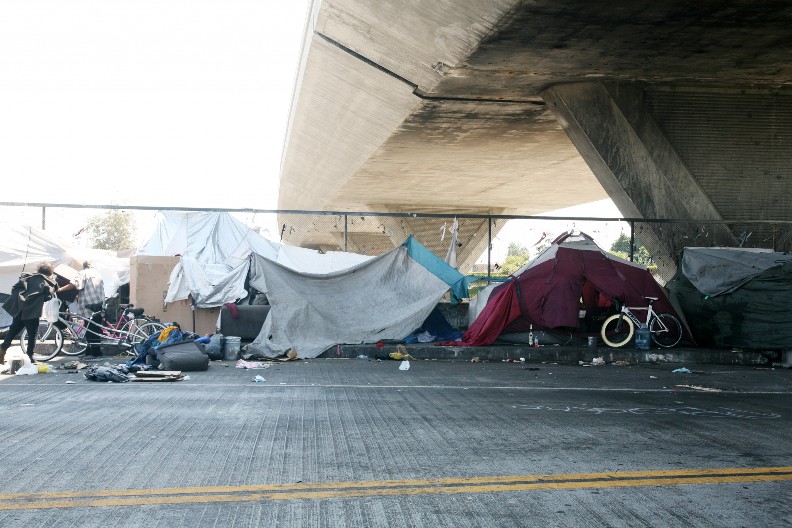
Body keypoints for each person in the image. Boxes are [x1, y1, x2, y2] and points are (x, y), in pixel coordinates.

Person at [0, 263, 58, 364]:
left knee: (13, 331)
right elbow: (47, 297)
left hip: (20, 308)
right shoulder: (46, 281)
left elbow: (14, 288)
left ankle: (2, 349)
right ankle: (30, 356)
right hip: (32, 311)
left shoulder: (27, 276)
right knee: (32, 334)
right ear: (50, 272)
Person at [58, 261, 105, 358]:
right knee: (94, 328)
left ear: (84, 266)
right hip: (99, 304)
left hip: (89, 304)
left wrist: (59, 290)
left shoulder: (83, 273)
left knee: (90, 330)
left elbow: (74, 284)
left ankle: (96, 353)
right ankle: (89, 352)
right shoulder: (97, 274)